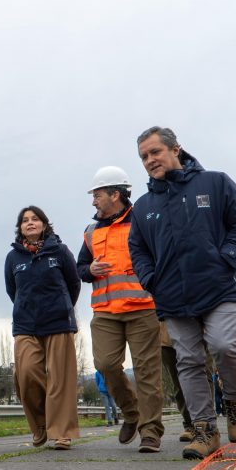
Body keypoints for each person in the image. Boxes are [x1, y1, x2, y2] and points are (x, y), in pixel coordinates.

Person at [128, 126, 236, 460]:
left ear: (175, 149)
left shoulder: (215, 183)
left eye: (155, 152)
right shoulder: (143, 207)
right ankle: (204, 429)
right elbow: (138, 248)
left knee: (224, 345)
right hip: (172, 296)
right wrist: (150, 278)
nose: (149, 160)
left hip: (220, 287)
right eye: (144, 156)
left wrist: (228, 257)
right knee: (188, 361)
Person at [77, 166, 165, 453]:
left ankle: (151, 431)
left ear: (115, 194)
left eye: (97, 194)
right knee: (105, 366)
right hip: (105, 311)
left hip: (142, 307)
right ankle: (131, 412)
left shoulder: (143, 222)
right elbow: (80, 269)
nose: (93, 200)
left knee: (147, 371)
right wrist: (89, 268)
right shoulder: (90, 232)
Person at [4, 206, 82, 449]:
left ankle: (62, 433)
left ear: (45, 224)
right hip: (26, 325)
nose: (29, 223)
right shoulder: (13, 257)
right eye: (24, 220)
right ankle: (40, 426)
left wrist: (63, 307)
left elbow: (73, 283)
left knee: (60, 380)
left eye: (34, 219)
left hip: (58, 321)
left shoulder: (59, 251)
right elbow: (12, 291)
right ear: (20, 228)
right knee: (26, 374)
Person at [159, 321, 194, 442]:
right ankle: (189, 424)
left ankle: (206, 425)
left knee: (203, 378)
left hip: (198, 329)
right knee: (178, 383)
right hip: (167, 336)